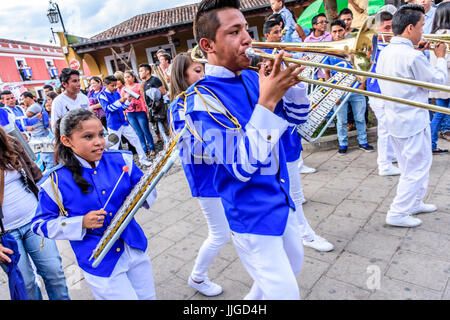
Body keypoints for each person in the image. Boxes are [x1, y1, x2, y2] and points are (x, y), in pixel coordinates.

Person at [186, 0, 309, 300]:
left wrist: (292, 85)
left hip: (282, 200)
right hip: (250, 215)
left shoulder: (256, 78)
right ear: (208, 45)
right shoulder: (199, 100)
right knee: (285, 293)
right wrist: (267, 101)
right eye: (234, 32)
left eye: (246, 29)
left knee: (294, 265)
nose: (247, 39)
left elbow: (297, 120)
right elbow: (241, 166)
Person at [31, 109, 158, 300]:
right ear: (67, 141)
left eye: (101, 134)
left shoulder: (122, 160)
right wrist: (80, 222)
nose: (99, 142)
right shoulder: (54, 181)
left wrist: (141, 194)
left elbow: (148, 192)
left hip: (133, 246)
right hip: (99, 260)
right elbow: (39, 224)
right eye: (88, 136)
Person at [377, 4, 447, 227]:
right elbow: (438, 82)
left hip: (396, 118)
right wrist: (441, 58)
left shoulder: (387, 50)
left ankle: (415, 201)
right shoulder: (411, 56)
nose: (423, 31)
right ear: (409, 28)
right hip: (412, 119)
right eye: (421, 26)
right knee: (417, 167)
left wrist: (420, 52)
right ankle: (397, 212)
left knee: (413, 165)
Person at [168, 52, 228, 296]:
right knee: (219, 234)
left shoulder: (205, 97)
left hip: (220, 172)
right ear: (183, 76)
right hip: (205, 178)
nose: (203, 75)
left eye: (203, 70)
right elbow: (189, 147)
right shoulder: (178, 106)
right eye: (197, 71)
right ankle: (198, 277)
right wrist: (226, 146)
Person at [0, 126, 69, 300]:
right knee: (27, 284)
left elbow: (37, 176)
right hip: (5, 236)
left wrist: (53, 205)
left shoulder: (11, 143)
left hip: (34, 222)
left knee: (55, 273)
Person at [324, 19, 374, 155]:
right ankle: (343, 144)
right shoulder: (328, 50)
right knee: (341, 120)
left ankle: (363, 141)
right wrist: (332, 93)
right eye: (334, 31)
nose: (338, 34)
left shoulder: (353, 48)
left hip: (356, 88)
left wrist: (362, 84)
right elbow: (326, 73)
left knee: (360, 118)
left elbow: (363, 67)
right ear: (330, 33)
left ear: (345, 31)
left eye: (340, 31)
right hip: (338, 91)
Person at [366, 11, 401, 175]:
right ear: (377, 28)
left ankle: (390, 155)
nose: (391, 31)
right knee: (385, 128)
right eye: (386, 27)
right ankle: (384, 165)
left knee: (389, 126)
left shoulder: (389, 43)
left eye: (392, 27)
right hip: (378, 91)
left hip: (386, 90)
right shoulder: (375, 43)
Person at [98, 75, 152, 167]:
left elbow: (122, 108)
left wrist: (128, 101)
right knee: (114, 146)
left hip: (123, 122)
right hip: (113, 125)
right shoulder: (102, 95)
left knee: (135, 139)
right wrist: (119, 101)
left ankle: (143, 159)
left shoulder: (116, 93)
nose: (115, 87)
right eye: (112, 85)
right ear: (105, 85)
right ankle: (114, 166)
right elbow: (108, 109)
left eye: (115, 85)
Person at [429, 1, 450, 153]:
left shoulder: (435, 34)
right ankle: (430, 142)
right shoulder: (445, 35)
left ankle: (431, 143)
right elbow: (445, 59)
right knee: (440, 112)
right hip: (446, 79)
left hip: (441, 79)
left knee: (440, 111)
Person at [122, 70, 156, 157]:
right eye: (125, 77)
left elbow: (144, 99)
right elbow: (123, 102)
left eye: (128, 77)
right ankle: (144, 149)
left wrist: (147, 110)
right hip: (130, 113)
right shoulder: (124, 89)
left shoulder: (138, 86)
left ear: (133, 77)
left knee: (145, 130)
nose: (127, 79)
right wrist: (124, 114)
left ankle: (152, 148)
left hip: (140, 111)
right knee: (138, 133)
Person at [21, 92, 53, 170]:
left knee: (47, 158)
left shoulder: (34, 107)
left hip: (40, 135)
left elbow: (24, 117)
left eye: (23, 99)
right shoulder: (35, 106)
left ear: (28, 98)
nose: (22, 101)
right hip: (38, 134)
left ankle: (51, 175)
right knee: (43, 157)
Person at [138, 63, 168, 145]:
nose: (139, 73)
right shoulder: (145, 83)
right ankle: (166, 142)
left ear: (147, 71)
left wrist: (154, 95)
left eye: (141, 71)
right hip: (152, 109)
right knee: (158, 127)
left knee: (164, 128)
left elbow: (162, 92)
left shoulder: (154, 80)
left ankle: (168, 143)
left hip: (159, 108)